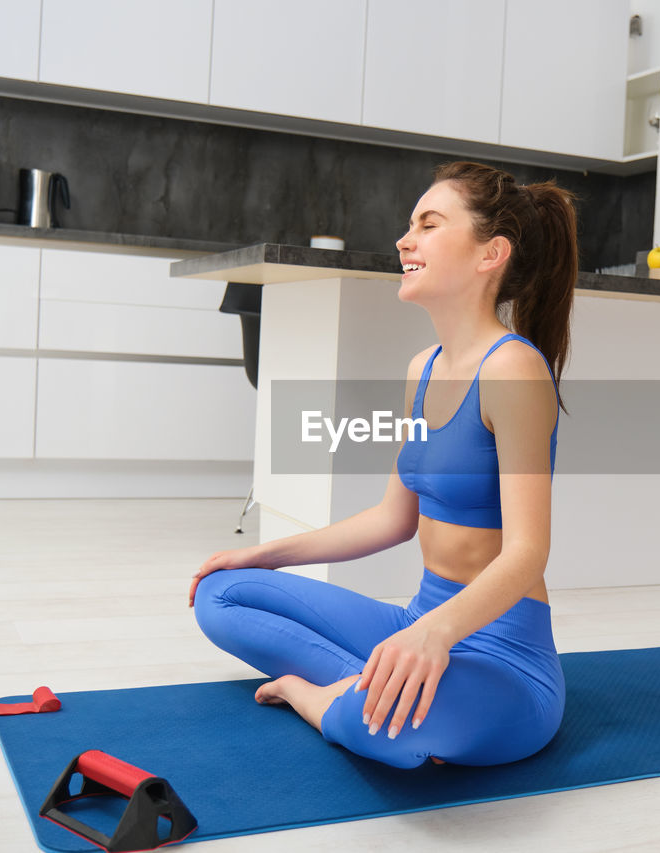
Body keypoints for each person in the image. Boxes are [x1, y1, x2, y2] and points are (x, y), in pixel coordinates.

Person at [189, 161, 577, 769]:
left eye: (429, 224)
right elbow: (392, 518)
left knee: (380, 727)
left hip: (505, 655)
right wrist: (261, 553)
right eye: (410, 224)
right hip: (419, 618)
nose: (404, 239)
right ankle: (379, 685)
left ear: (490, 253)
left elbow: (528, 551)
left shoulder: (513, 369)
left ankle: (319, 698)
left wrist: (437, 635)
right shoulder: (421, 369)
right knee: (222, 594)